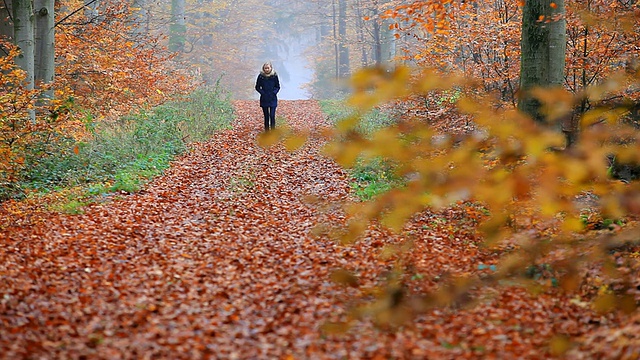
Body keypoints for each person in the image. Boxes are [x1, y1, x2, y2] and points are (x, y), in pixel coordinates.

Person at [255, 62, 280, 131]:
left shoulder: (274, 76)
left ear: (271, 68)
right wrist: (262, 93)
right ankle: (266, 131)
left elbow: (277, 86)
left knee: (272, 115)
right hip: (264, 98)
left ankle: (273, 131)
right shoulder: (261, 76)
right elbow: (257, 87)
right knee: (266, 116)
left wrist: (274, 92)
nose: (267, 69)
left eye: (268, 68)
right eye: (265, 68)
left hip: (272, 98)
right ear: (263, 68)